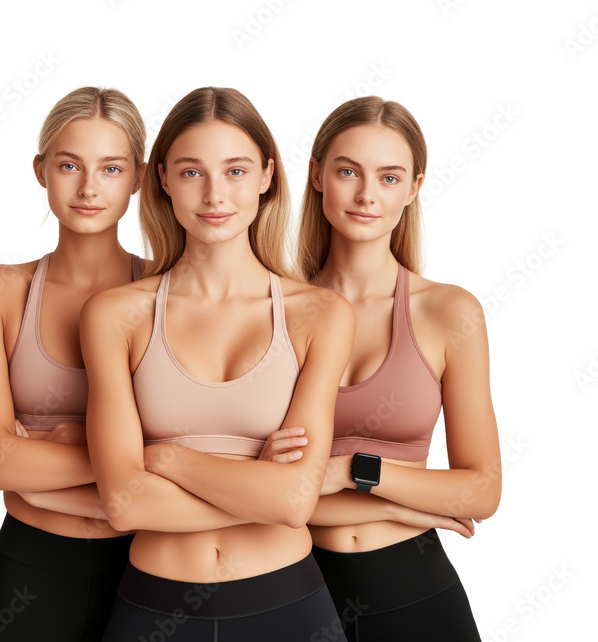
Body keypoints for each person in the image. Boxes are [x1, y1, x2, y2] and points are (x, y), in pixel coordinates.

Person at [80, 86, 354, 640]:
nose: (214, 195)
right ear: (161, 178)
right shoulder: (115, 315)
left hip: (289, 606)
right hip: (153, 609)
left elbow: (296, 500)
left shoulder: (319, 314)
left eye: (234, 170)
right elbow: (125, 504)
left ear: (266, 176)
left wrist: (168, 460)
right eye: (191, 172)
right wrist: (262, 488)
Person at [300, 97, 500, 641]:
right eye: (348, 172)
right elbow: (253, 488)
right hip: (294, 592)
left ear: (413, 188)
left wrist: (356, 472)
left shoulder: (448, 312)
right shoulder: (276, 310)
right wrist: (409, 509)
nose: (367, 195)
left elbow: (481, 490)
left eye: (389, 177)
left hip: (415, 591)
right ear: (317, 175)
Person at [0, 87, 146, 641]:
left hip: (149, 571)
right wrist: (133, 461)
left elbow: (199, 452)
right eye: (69, 165)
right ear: (41, 170)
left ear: (139, 176)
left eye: (111, 168)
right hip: (29, 570)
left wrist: (44, 463)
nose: (89, 187)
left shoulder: (168, 291)